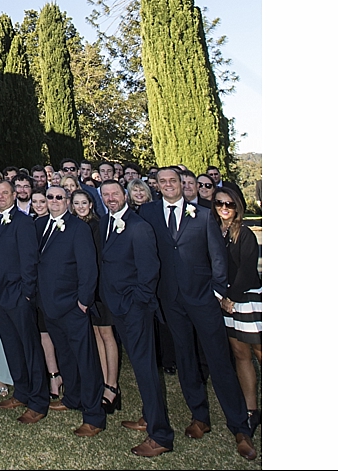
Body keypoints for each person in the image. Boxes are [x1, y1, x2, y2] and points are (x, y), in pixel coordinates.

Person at [145, 167, 255, 459]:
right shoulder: (149, 213)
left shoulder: (204, 214)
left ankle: (240, 427)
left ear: (183, 184)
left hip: (203, 299)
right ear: (157, 185)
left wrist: (217, 293)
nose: (168, 185)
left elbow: (218, 259)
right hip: (171, 300)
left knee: (219, 360)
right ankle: (200, 416)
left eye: (173, 180)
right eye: (163, 181)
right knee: (185, 359)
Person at [98, 179, 174, 458]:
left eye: (114, 193)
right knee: (143, 368)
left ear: (125, 195)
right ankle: (148, 417)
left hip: (135, 310)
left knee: (145, 370)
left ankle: (160, 435)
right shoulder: (107, 222)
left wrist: (135, 304)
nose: (110, 198)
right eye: (105, 195)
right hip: (117, 307)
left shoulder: (139, 227)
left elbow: (149, 271)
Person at [37, 187, 105, 436]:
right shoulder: (40, 225)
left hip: (73, 307)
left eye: (58, 197)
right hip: (49, 306)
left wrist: (84, 301)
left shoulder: (78, 228)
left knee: (85, 360)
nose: (53, 201)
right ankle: (72, 398)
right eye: (49, 197)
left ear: (67, 202)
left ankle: (94, 415)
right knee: (65, 355)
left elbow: (88, 268)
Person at [0, 177, 48, 423]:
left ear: (14, 195)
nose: (1, 196)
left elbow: (30, 261)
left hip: (18, 296)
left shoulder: (23, 222)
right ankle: (21, 391)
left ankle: (39, 401)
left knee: (29, 348)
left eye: (5, 192)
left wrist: (27, 292)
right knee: (11, 347)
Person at [215, 184, 261, 435]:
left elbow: (247, 270)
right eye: (219, 203)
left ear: (238, 206)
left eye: (229, 204)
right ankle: (251, 410)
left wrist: (230, 298)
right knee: (240, 353)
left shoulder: (244, 234)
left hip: (246, 299)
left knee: (260, 351)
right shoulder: (215, 232)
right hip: (226, 300)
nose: (224, 208)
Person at [72, 189, 122, 414]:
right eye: (77, 203)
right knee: (96, 336)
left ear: (92, 205)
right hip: (85, 290)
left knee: (106, 335)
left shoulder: (97, 225)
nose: (81, 206)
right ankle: (103, 382)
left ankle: (112, 386)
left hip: (100, 288)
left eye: (85, 202)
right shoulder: (74, 225)